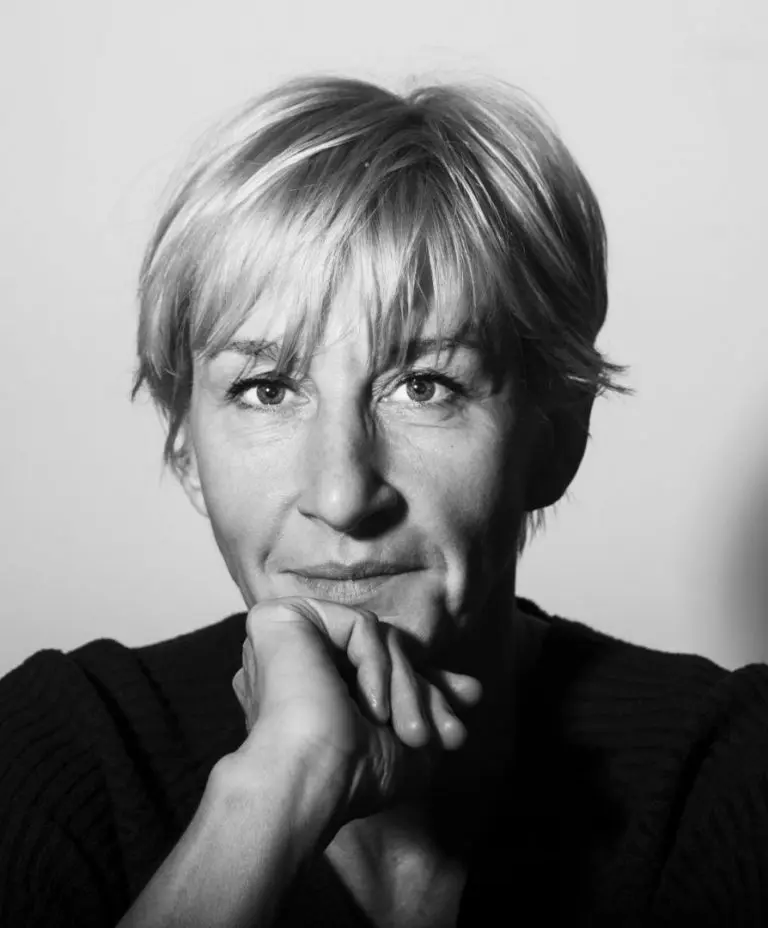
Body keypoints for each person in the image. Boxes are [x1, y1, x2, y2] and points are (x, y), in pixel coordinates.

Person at [1, 73, 767, 928]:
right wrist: (270, 796)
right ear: (187, 451)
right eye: (266, 389)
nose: (342, 495)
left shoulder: (729, 772)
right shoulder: (60, 751)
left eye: (425, 386)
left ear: (555, 440)